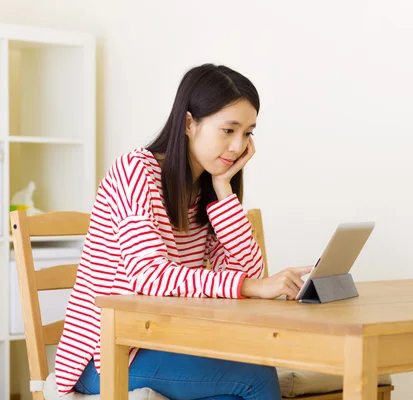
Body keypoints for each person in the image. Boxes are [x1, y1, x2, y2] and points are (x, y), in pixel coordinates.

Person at [54, 63, 312, 399]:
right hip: (106, 355)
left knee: (239, 383)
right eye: (228, 130)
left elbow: (248, 275)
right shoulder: (135, 171)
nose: (237, 146)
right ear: (189, 123)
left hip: (163, 341)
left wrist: (223, 188)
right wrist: (251, 286)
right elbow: (148, 276)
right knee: (256, 377)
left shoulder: (206, 188)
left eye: (247, 133)